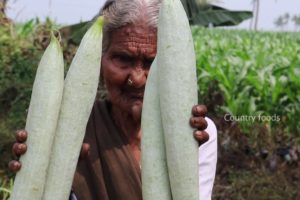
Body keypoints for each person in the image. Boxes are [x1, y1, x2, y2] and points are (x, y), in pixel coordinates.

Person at [9, 0, 218, 199]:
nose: (136, 79)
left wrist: (184, 156)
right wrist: (41, 172)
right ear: (101, 60)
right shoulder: (69, 129)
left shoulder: (198, 133)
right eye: (123, 58)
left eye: (150, 62)